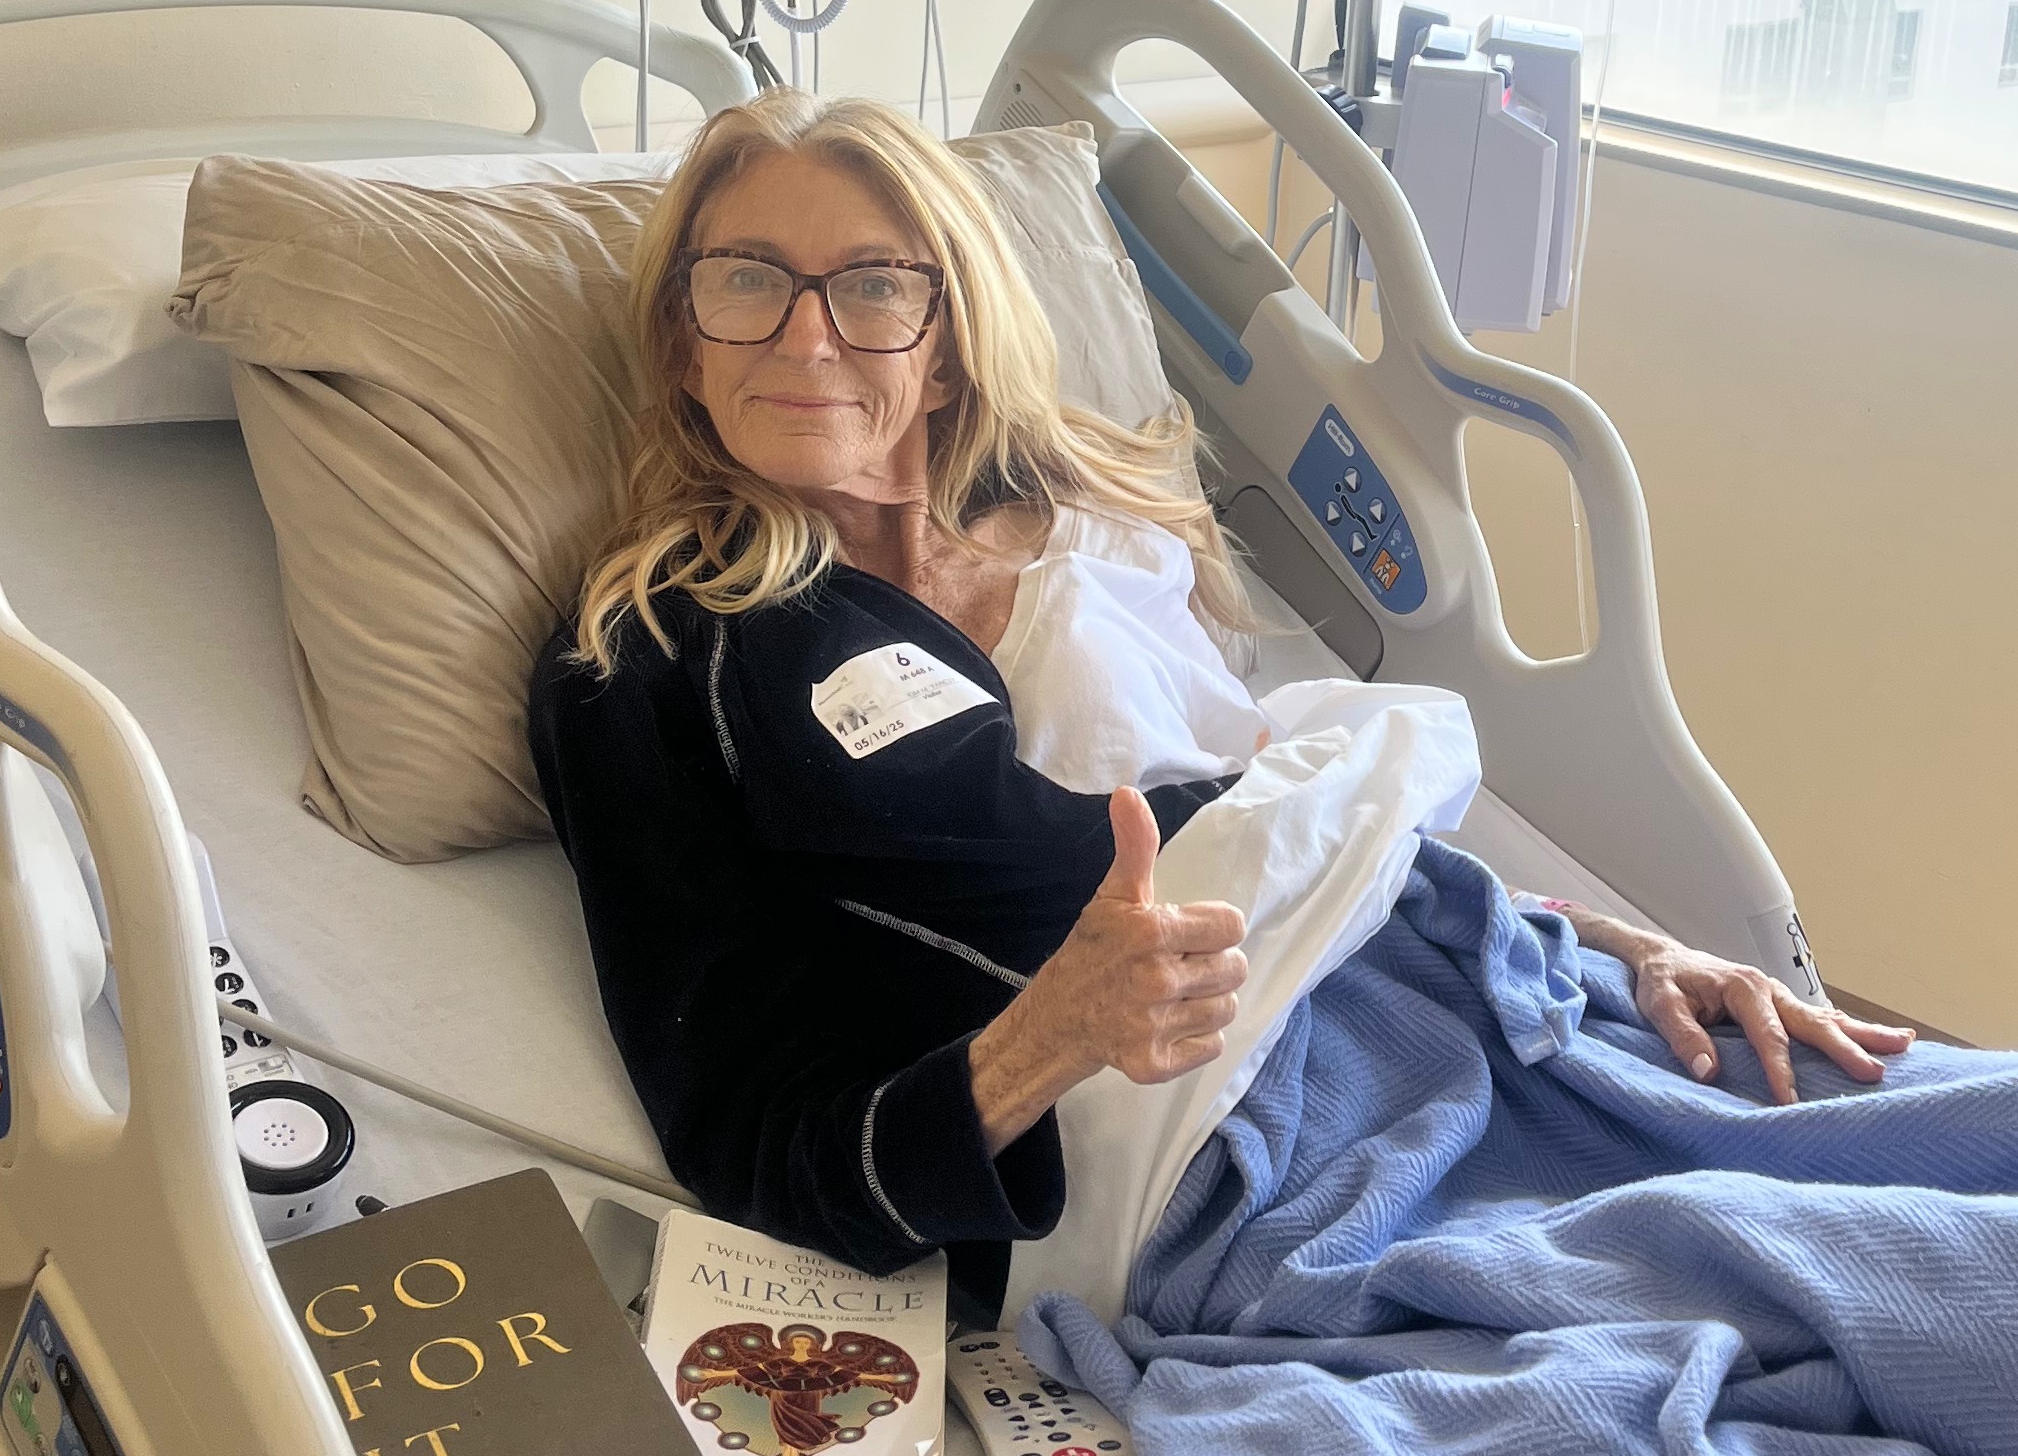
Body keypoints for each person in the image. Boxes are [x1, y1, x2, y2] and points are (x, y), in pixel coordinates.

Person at [530, 89, 1903, 1313]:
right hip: (1253, 1161)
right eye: (746, 280)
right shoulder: (657, 658)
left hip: (1461, 982)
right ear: (684, 340)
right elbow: (756, 1145)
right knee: (1885, 1283)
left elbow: (1289, 819)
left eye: (874, 287)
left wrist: (1613, 942)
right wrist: (1048, 1040)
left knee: (1979, 1137)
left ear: (943, 347)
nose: (805, 333)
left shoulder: (1092, 525)